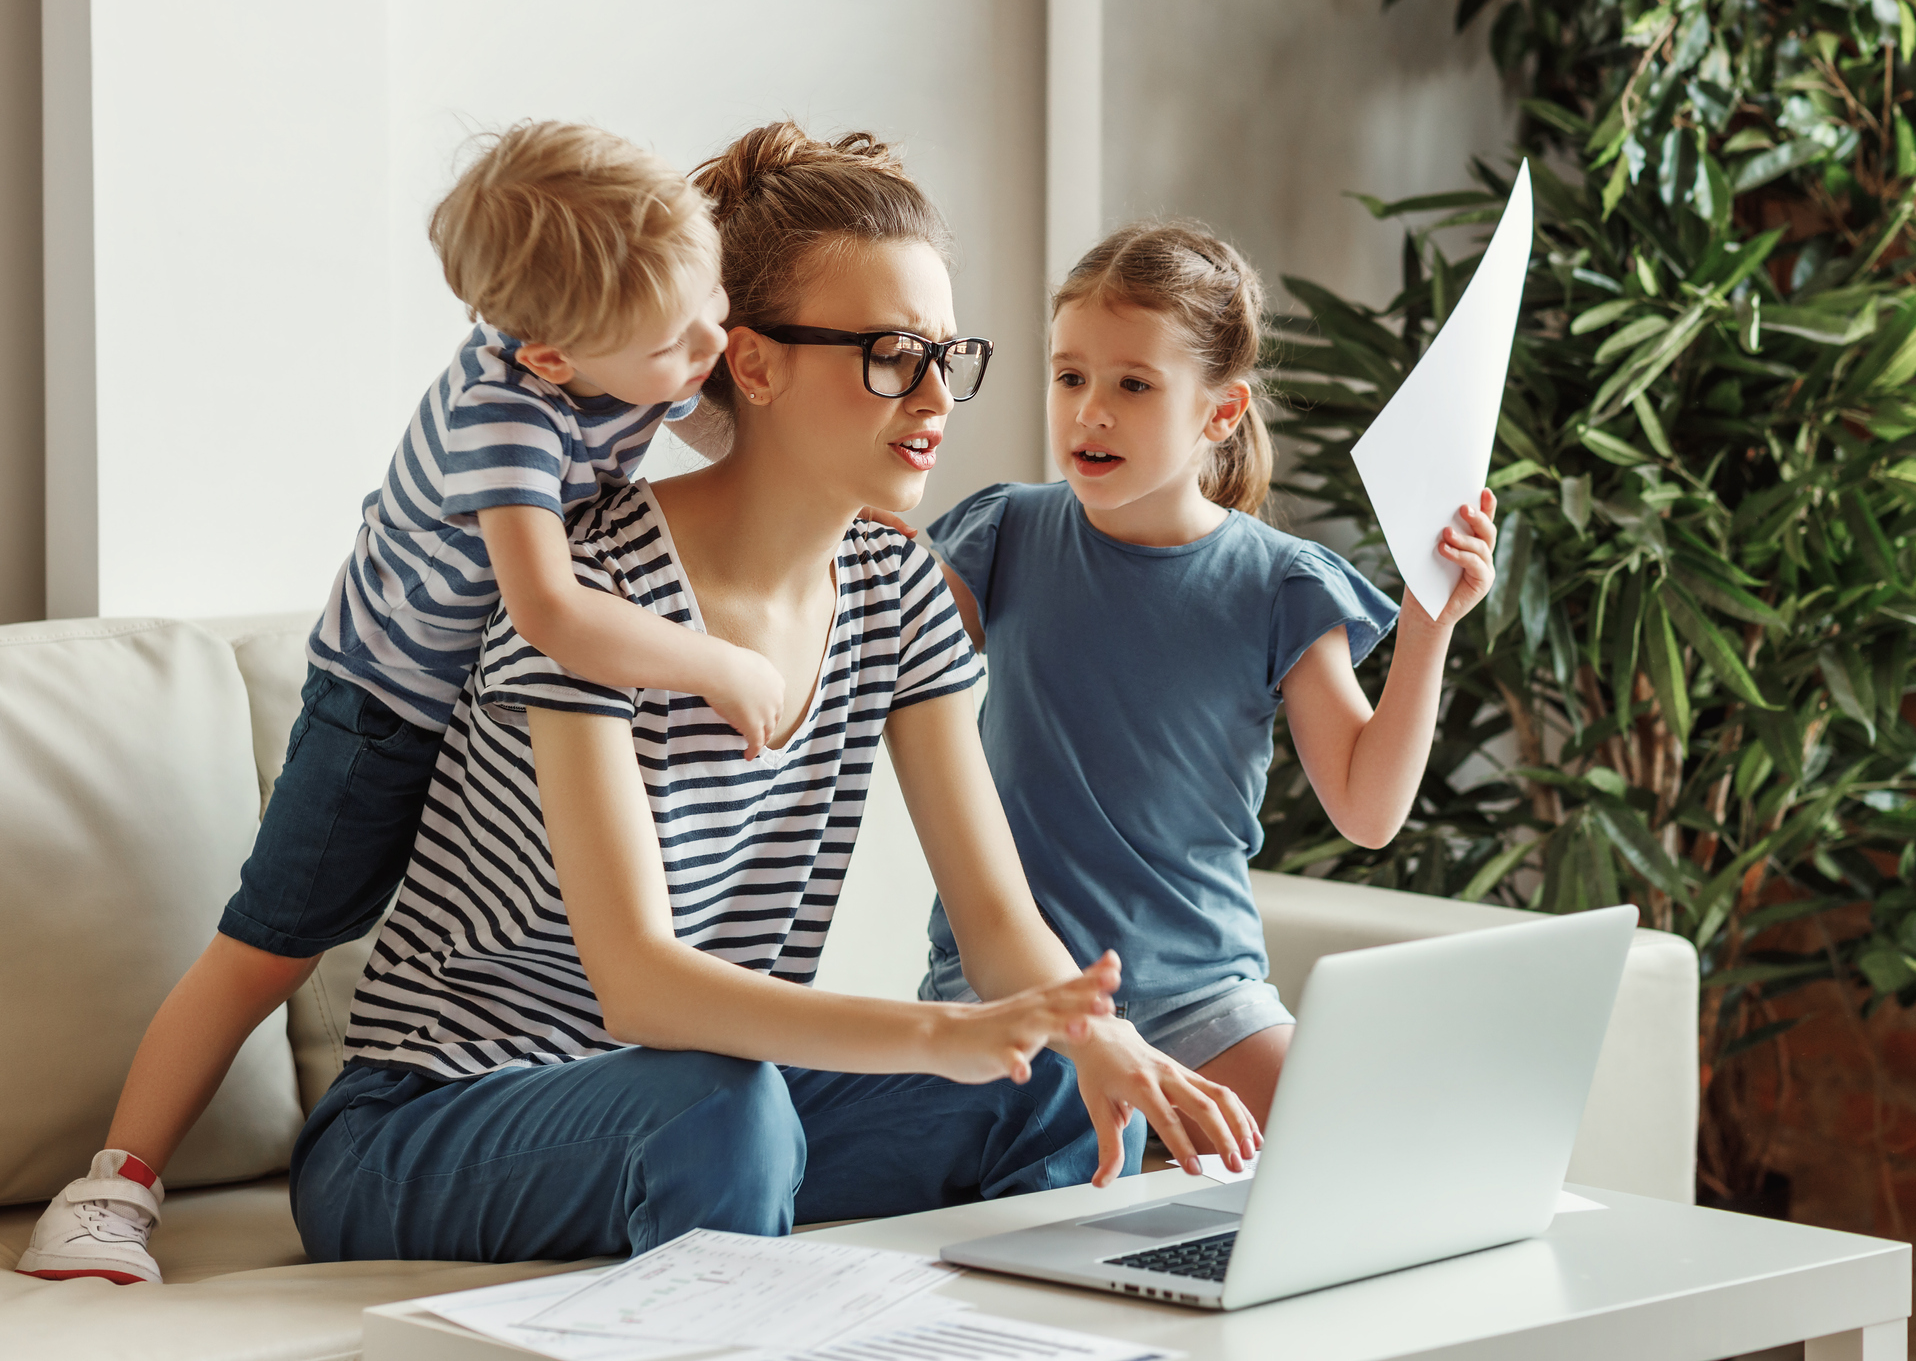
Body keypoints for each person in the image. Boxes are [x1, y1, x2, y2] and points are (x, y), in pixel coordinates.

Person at [286, 123, 1256, 1265]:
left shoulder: (896, 587)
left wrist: (1098, 1037)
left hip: (694, 1104)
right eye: (893, 353)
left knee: (1044, 1083)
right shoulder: (591, 584)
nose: (936, 394)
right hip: (432, 1121)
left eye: (949, 353)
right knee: (721, 1106)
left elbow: (997, 924)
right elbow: (639, 988)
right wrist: (939, 1031)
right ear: (751, 364)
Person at [17, 121, 784, 1283]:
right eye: (676, 343)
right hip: (382, 712)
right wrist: (721, 661)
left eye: (714, 301)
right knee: (267, 947)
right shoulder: (500, 418)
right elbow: (553, 611)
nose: (710, 346)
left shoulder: (631, 343)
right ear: (550, 362)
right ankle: (111, 1187)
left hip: (478, 714)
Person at [919, 220, 1499, 1138]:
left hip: (1204, 1001)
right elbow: (858, 667)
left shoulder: (1283, 584)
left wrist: (1431, 624)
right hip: (1015, 999)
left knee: (1350, 1155)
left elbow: (1366, 809)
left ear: (1219, 412)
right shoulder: (1002, 537)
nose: (1088, 412)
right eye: (1070, 376)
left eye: (1133, 385)